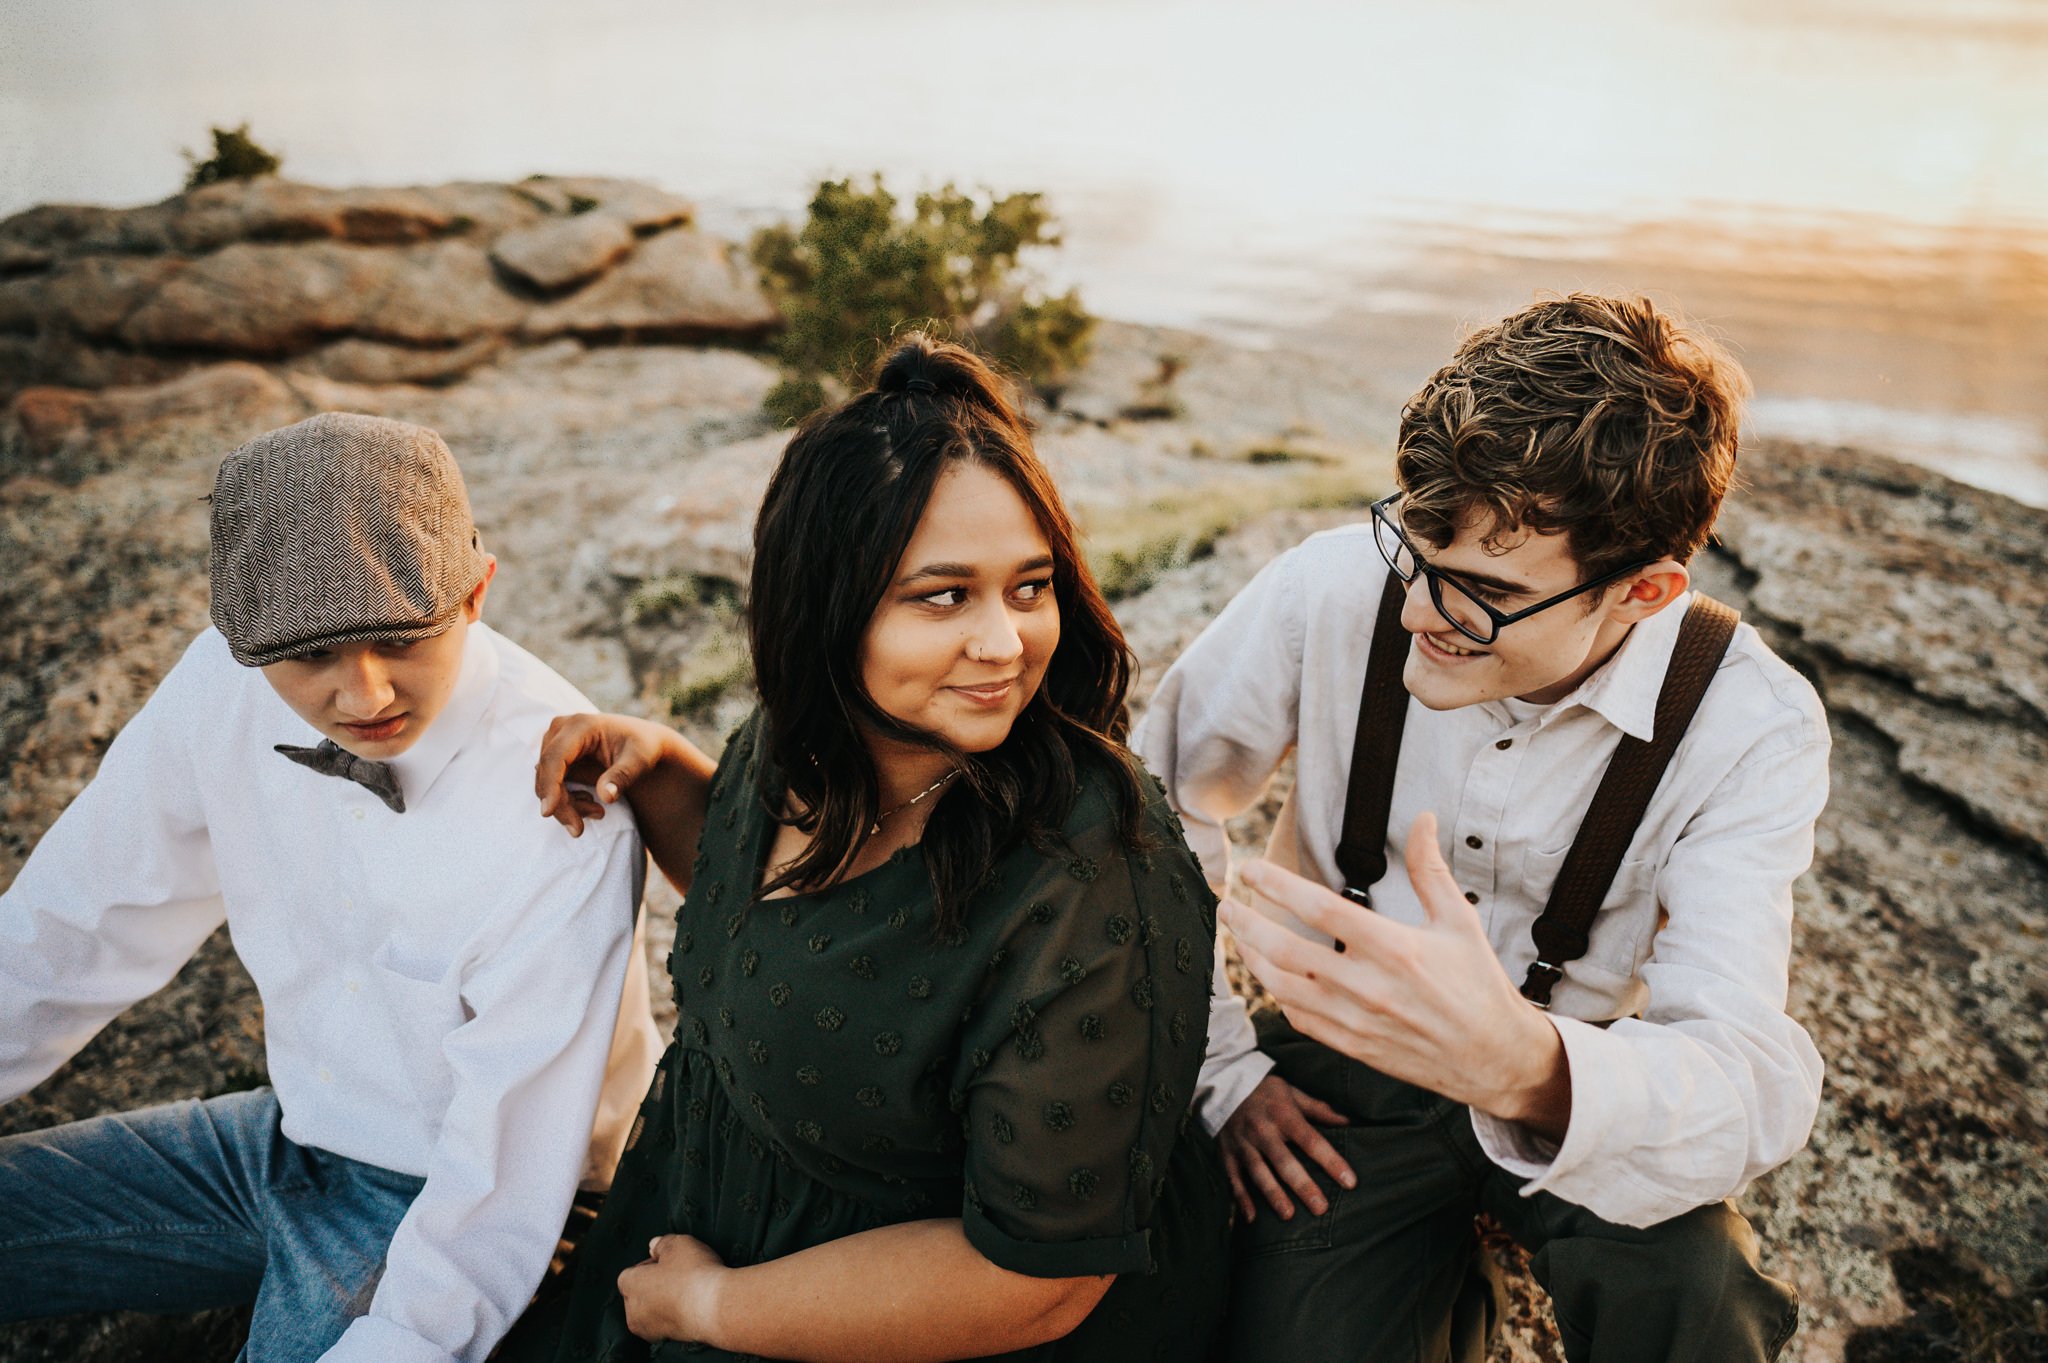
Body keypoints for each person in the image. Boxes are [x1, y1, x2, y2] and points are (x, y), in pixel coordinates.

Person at [506, 336, 1230, 1363]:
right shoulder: (796, 744)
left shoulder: (1092, 869)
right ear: (826, 607)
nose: (1003, 642)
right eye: (944, 595)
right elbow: (790, 939)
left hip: (918, 1327)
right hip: (704, 1243)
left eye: (1029, 588)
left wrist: (709, 1310)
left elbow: (1039, 1279)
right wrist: (662, 765)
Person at [1135, 295, 1829, 1362]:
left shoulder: (1747, 722)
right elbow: (1151, 803)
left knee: (1700, 1304)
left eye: (1483, 594)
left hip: (1583, 1082)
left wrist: (1524, 1068)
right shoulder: (1330, 590)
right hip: (1341, 1072)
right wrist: (1224, 1070)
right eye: (1413, 546)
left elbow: (1745, 1075)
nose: (1418, 611)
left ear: (1642, 590)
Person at [0, 412, 662, 1363]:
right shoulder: (213, 693)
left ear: (477, 591)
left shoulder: (564, 805)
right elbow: (70, 930)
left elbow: (500, 1189)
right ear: (241, 642)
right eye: (310, 656)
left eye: (400, 641)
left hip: (474, 1199)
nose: (364, 696)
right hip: (283, 1140)